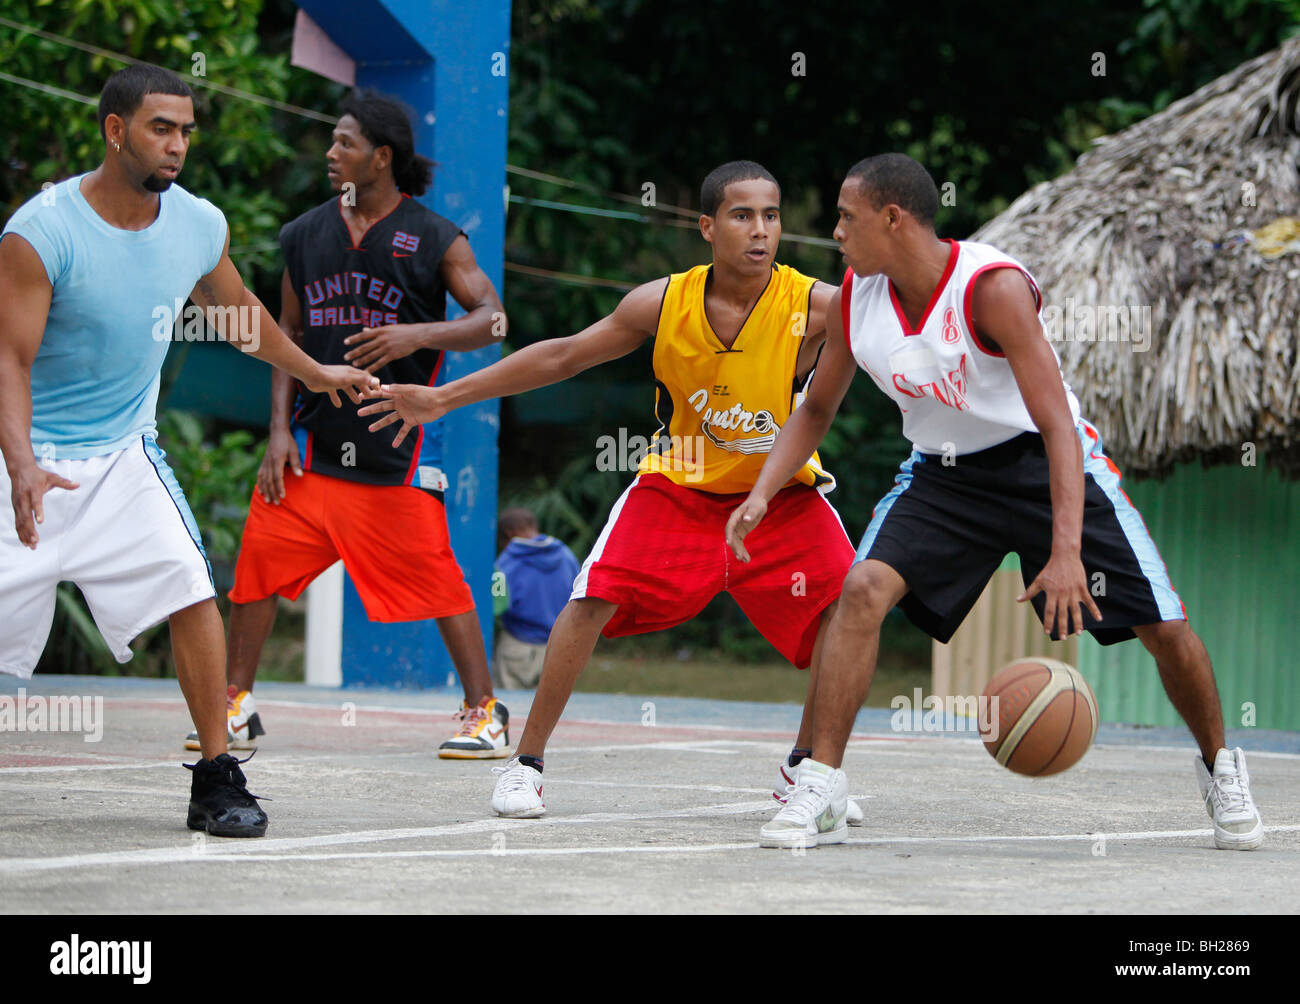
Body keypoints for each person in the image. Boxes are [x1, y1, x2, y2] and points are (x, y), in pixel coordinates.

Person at [726, 153, 1265, 851]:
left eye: (846, 217)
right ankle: (821, 782)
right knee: (860, 591)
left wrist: (1066, 551)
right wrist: (763, 491)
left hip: (1044, 465)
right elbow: (817, 407)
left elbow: (1058, 429)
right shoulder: (859, 293)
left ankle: (1223, 765)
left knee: (1163, 626)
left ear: (893, 218)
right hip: (945, 479)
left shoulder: (992, 288)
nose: (835, 232)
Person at [361, 160, 865, 824]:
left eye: (771, 215)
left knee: (851, 602)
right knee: (589, 598)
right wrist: (443, 397)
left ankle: (811, 768)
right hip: (678, 487)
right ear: (708, 227)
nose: (761, 231)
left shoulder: (818, 304)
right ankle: (526, 766)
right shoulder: (662, 302)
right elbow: (564, 355)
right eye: (743, 216)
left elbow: (899, 331)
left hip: (780, 494)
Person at [0, 64, 376, 837]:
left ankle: (216, 777)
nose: (177, 146)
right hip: (29, 449)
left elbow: (239, 316)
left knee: (190, 586)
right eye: (160, 128)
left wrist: (312, 371)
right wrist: (20, 463)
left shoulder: (198, 225)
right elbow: (8, 361)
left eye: (185, 131)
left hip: (124, 452)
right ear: (115, 131)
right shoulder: (40, 232)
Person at [198, 90, 513, 760]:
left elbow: (493, 318)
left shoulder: (435, 236)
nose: (331, 152)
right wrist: (278, 431)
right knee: (255, 571)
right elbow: (285, 332)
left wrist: (416, 335)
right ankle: (233, 703)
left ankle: (484, 711)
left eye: (344, 142)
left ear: (382, 156)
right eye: (332, 140)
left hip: (388, 449)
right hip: (309, 450)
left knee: (441, 582)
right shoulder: (306, 232)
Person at [492, 507, 580, 689]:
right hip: (558, 647)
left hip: (516, 645)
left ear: (507, 534)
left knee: (511, 706)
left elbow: (497, 604)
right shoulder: (566, 556)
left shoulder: (506, 562)